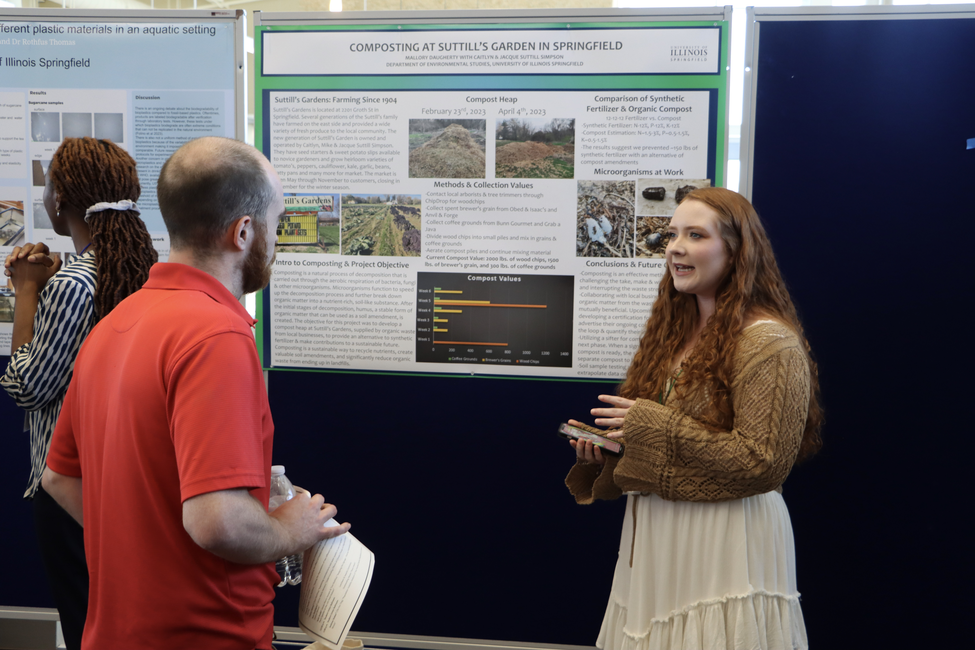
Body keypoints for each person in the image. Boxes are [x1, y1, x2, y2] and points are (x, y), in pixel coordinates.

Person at [41, 136, 351, 650]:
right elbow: (217, 521)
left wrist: (152, 540)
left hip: (116, 632)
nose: (275, 241)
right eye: (274, 224)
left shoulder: (116, 323)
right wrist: (290, 531)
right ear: (244, 231)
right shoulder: (217, 338)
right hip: (207, 634)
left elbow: (58, 478)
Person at [565, 187, 822, 650]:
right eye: (672, 235)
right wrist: (612, 453)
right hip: (660, 539)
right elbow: (667, 449)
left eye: (696, 235)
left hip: (726, 542)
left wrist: (654, 426)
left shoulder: (769, 343)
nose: (676, 247)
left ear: (737, 251)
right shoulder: (675, 333)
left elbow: (764, 462)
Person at [2, 137, 157, 650]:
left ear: (62, 198)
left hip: (67, 485)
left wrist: (26, 291)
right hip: (123, 483)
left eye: (48, 185)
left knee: (84, 620)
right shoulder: (142, 272)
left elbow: (26, 386)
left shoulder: (73, 285)